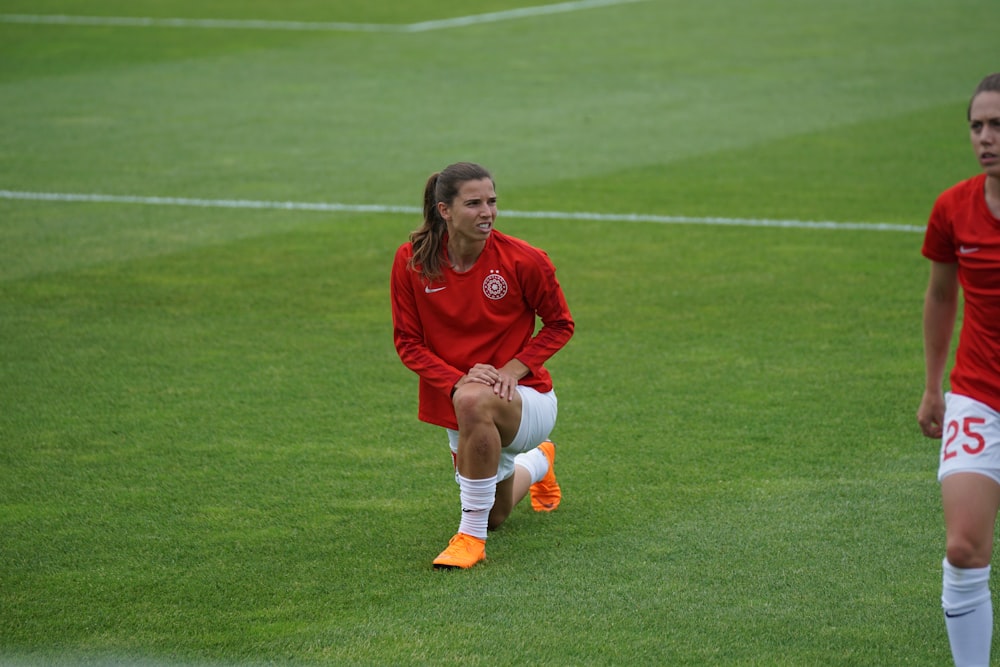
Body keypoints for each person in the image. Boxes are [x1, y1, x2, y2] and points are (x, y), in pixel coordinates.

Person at [390, 162, 575, 570]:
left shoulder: (524, 260)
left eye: (491, 202)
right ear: (445, 211)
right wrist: (457, 381)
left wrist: (511, 370)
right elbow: (408, 343)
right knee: (497, 515)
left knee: (475, 399)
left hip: (526, 401)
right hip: (461, 404)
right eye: (473, 203)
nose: (487, 212)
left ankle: (468, 539)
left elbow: (561, 324)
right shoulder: (412, 261)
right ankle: (540, 461)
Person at [917, 72, 1000, 667]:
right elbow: (942, 296)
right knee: (964, 549)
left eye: (997, 125)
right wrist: (933, 387)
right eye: (977, 126)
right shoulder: (953, 207)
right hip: (978, 396)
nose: (986, 137)